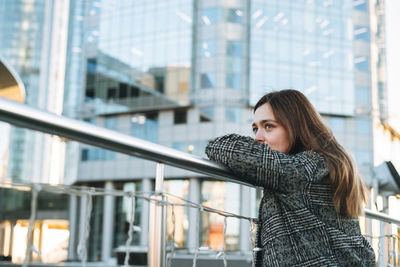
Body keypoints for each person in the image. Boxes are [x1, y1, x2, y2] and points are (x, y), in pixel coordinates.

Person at [205, 89, 375, 266]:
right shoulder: (322, 164)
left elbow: (221, 147)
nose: (257, 137)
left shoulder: (307, 168)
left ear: (296, 126)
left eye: (268, 126)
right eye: (255, 128)